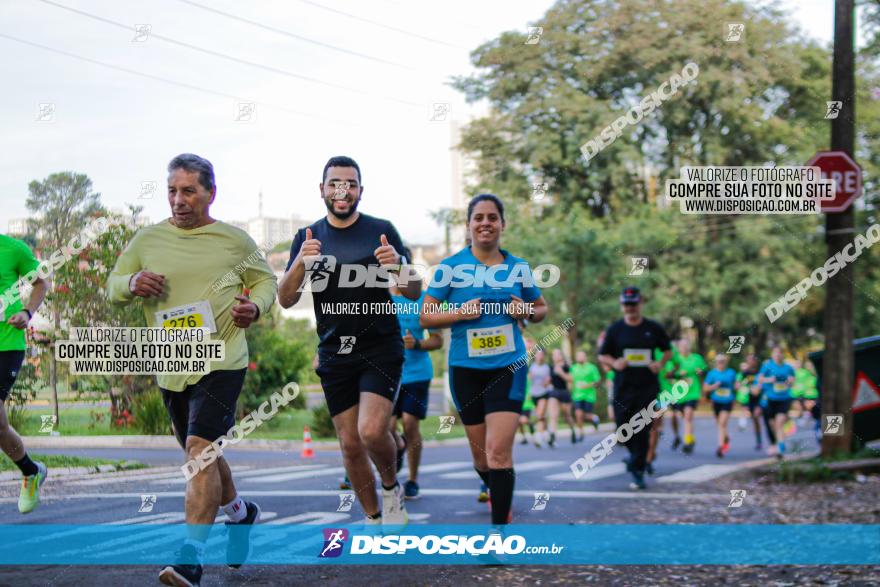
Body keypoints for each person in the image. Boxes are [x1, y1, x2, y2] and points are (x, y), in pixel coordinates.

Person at [107, 153, 277, 585]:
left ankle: (190, 557)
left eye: (188, 191)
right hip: (172, 362)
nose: (178, 200)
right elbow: (113, 287)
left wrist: (254, 306)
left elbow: (265, 280)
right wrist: (131, 284)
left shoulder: (234, 241)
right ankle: (240, 514)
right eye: (172, 191)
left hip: (223, 359)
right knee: (203, 452)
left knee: (200, 451)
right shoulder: (147, 240)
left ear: (209, 193)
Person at [278, 156, 420, 529]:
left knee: (371, 430)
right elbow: (286, 298)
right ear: (322, 189)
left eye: (350, 183)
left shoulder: (381, 230)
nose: (342, 190)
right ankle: (374, 518)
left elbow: (414, 289)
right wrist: (299, 265)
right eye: (335, 183)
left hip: (380, 346)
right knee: (351, 445)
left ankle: (391, 490)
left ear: (359, 190)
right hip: (334, 351)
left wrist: (398, 265)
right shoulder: (308, 238)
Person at [420, 193, 548, 525]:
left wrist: (526, 311)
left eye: (492, 218)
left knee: (498, 452)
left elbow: (541, 309)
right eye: (479, 218)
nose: (486, 223)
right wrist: (459, 314)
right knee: (482, 459)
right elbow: (426, 316)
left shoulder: (518, 267)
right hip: (466, 369)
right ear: (469, 225)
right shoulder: (450, 268)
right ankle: (499, 492)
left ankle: (498, 533)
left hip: (509, 365)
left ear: (502, 224)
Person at [599, 286, 672, 490]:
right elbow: (603, 354)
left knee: (643, 428)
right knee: (623, 428)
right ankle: (634, 458)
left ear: (641, 303)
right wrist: (615, 363)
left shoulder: (653, 328)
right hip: (623, 387)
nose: (630, 307)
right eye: (626, 304)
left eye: (633, 303)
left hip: (647, 387)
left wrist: (660, 364)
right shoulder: (615, 329)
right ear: (622, 305)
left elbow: (668, 351)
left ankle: (638, 470)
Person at [0, 234, 49, 514]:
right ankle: (31, 471)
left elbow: (41, 282)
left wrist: (28, 313)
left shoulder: (13, 248)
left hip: (6, 344)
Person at [389, 253, 443, 500]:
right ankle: (398, 447)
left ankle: (412, 480)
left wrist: (418, 344)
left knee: (410, 423)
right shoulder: (383, 300)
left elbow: (438, 340)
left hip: (417, 373)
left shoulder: (424, 300)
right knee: (386, 428)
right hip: (387, 374)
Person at [669, 339, 706, 454]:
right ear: (678, 348)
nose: (684, 348)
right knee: (675, 416)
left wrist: (700, 372)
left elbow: (703, 372)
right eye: (682, 346)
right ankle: (677, 436)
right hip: (677, 393)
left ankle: (688, 441)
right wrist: (679, 375)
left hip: (692, 392)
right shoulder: (675, 360)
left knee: (688, 416)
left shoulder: (696, 358)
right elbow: (668, 375)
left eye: (686, 346)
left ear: (690, 347)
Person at [758, 346, 795, 457]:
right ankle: (778, 443)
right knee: (772, 424)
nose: (778, 355)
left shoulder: (788, 367)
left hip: (784, 398)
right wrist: (769, 379)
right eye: (775, 353)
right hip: (770, 398)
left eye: (780, 353)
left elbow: (792, 381)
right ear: (772, 354)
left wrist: (790, 381)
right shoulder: (767, 366)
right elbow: (759, 379)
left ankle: (781, 445)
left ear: (782, 355)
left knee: (779, 423)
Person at [646, 345, 678, 474]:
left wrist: (670, 373)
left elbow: (678, 363)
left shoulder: (667, 348)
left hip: (662, 394)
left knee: (654, 425)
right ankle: (642, 453)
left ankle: (649, 457)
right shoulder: (640, 344)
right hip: (641, 391)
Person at [703, 354, 738, 458]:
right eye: (719, 361)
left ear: (726, 362)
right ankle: (726, 437)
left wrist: (737, 386)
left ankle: (720, 447)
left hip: (728, 401)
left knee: (722, 423)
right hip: (716, 402)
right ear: (716, 362)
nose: (721, 363)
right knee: (720, 424)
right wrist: (713, 386)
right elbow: (705, 388)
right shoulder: (712, 373)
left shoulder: (731, 373)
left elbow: (736, 385)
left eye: (722, 361)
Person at [548, 348, 577, 445]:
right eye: (554, 354)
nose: (555, 356)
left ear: (561, 356)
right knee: (553, 415)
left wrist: (561, 373)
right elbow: (549, 380)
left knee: (567, 415)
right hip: (554, 392)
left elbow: (571, 380)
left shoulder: (566, 367)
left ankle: (572, 430)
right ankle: (552, 435)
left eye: (557, 354)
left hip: (564, 392)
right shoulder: (551, 367)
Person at [570, 350, 601, 441]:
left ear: (585, 357)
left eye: (581, 356)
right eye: (578, 356)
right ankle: (581, 432)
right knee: (578, 414)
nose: (579, 358)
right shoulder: (573, 368)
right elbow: (571, 380)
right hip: (577, 395)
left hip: (589, 395)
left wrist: (587, 385)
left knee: (587, 415)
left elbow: (597, 381)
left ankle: (594, 418)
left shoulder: (592, 368)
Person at [736, 353, 765, 450]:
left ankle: (765, 439)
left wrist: (759, 388)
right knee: (754, 419)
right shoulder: (744, 373)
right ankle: (759, 441)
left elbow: (763, 383)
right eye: (749, 360)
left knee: (757, 416)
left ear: (755, 361)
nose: (750, 362)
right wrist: (741, 386)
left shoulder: (760, 371)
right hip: (749, 398)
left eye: (752, 360)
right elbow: (737, 384)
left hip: (760, 398)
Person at [527, 350, 552, 447]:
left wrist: (547, 382)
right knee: (541, 417)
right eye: (538, 354)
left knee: (540, 414)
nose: (540, 356)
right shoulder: (531, 367)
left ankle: (538, 437)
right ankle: (547, 434)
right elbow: (528, 379)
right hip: (534, 394)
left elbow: (549, 379)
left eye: (542, 354)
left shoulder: (547, 367)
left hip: (544, 393)